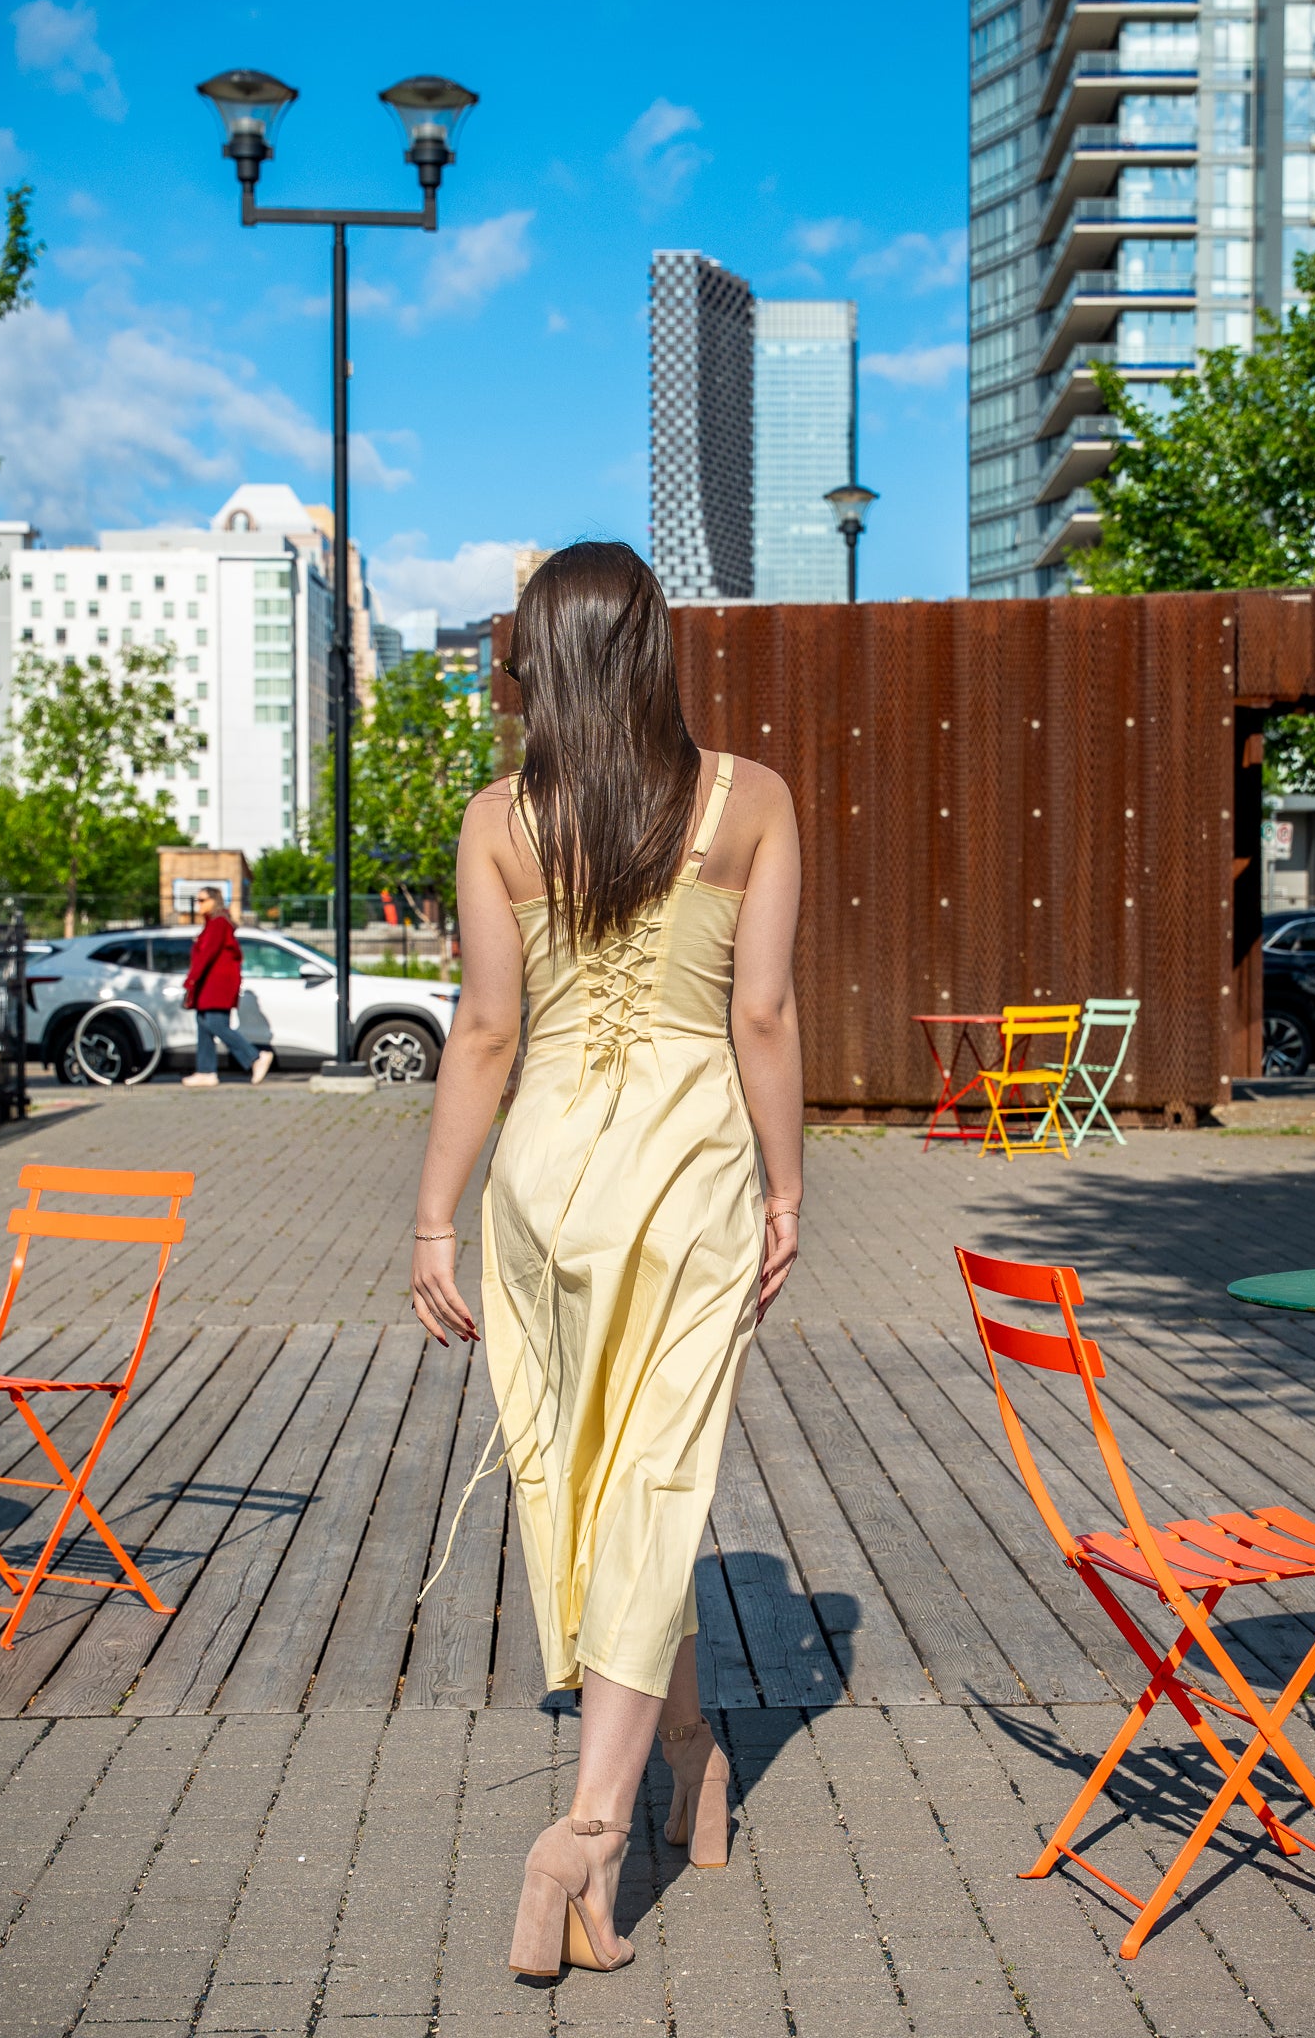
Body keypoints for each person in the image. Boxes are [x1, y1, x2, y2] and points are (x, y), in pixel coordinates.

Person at [409, 542, 803, 1980]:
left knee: (591, 1476)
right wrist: (788, 1184)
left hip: (545, 1181)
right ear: (651, 649)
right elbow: (761, 1015)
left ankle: (693, 1759)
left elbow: (485, 1031)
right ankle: (586, 1833)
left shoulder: (499, 818)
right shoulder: (749, 799)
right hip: (687, 1174)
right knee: (654, 1476)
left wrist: (434, 1217)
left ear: (539, 663)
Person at [180, 887, 273, 1088]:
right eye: (197, 900)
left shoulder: (219, 924)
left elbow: (207, 954)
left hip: (216, 986)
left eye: (202, 900)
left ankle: (255, 1057)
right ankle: (206, 1071)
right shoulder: (211, 924)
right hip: (207, 985)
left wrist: (191, 980)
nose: (198, 904)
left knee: (216, 1024)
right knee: (203, 1023)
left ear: (214, 900)